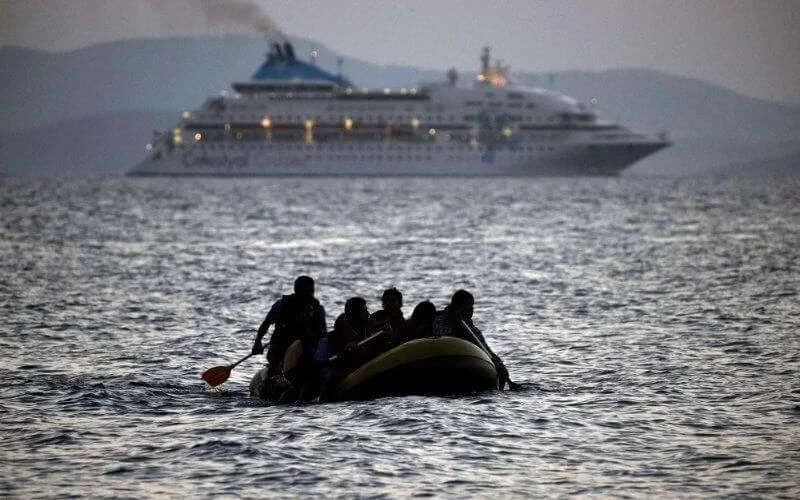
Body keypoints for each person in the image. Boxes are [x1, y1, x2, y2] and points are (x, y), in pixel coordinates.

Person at [251, 276, 327, 397]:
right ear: (296, 291)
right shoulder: (281, 306)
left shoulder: (317, 310)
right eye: (305, 292)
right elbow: (266, 324)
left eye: (311, 291)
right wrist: (257, 343)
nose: (309, 295)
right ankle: (275, 382)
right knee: (275, 372)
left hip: (304, 351)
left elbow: (322, 335)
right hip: (278, 350)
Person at [432, 289, 512, 389]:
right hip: (447, 360)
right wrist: (458, 327)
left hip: (472, 364)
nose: (471, 309)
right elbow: (442, 339)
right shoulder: (441, 320)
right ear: (457, 307)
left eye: (472, 305)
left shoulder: (474, 330)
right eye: (467, 305)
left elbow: (487, 350)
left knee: (500, 369)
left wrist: (499, 364)